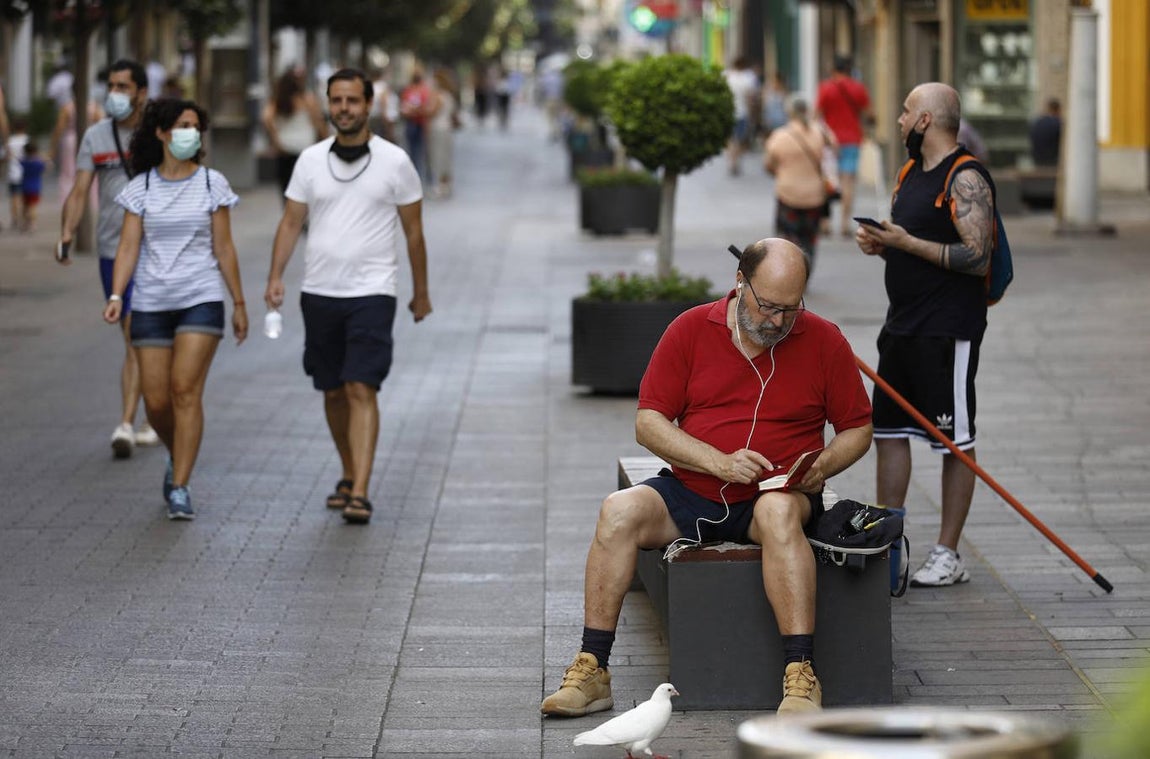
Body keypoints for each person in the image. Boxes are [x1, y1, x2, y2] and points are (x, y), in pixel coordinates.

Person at [541, 238, 873, 717]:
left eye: (791, 309)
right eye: (768, 306)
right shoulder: (691, 328)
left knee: (777, 512)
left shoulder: (823, 339)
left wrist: (822, 466)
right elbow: (648, 422)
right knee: (618, 510)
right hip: (691, 490)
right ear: (740, 282)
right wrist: (718, 462)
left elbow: (858, 428)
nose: (778, 321)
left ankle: (801, 677)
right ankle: (593, 669)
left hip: (776, 493)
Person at [264, 68, 432, 525]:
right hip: (319, 291)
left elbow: (413, 233)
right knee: (333, 389)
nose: (344, 109)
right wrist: (275, 276)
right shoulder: (310, 160)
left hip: (373, 292)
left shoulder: (395, 161)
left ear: (369, 103)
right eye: (336, 100)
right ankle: (347, 470)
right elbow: (290, 222)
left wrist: (421, 292)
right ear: (326, 104)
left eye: (352, 100)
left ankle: (360, 490)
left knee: (361, 384)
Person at [854, 82, 996, 587]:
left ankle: (948, 553)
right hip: (901, 326)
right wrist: (883, 244)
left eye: (907, 110)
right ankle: (888, 546)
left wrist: (906, 242)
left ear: (926, 121)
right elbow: (911, 242)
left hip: (947, 331)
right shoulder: (911, 172)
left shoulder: (967, 177)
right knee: (890, 435)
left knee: (954, 442)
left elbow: (976, 255)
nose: (898, 119)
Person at [103, 97, 248, 520]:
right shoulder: (141, 188)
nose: (190, 133)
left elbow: (224, 247)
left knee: (185, 390)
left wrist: (238, 302)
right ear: (163, 133)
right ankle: (176, 453)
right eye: (182, 125)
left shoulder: (211, 184)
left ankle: (180, 485)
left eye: (195, 126)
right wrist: (117, 295)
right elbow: (128, 246)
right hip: (150, 300)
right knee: (157, 402)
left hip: (200, 298)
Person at [58, 60, 158, 458]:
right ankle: (146, 416)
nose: (114, 93)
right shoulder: (96, 136)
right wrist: (66, 232)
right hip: (112, 250)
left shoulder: (160, 134)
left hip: (157, 249)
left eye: (123, 86)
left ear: (141, 92)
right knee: (134, 337)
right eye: (111, 85)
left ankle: (127, 422)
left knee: (141, 334)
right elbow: (80, 190)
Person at [763, 97, 833, 272]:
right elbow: (834, 150)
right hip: (814, 196)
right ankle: (805, 273)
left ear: (789, 112)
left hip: (788, 194)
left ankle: (788, 274)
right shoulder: (820, 132)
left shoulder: (780, 136)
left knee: (786, 240)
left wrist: (782, 172)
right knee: (809, 239)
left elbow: (769, 165)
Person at [815, 55, 871, 237]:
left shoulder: (826, 88)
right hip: (852, 140)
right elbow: (870, 113)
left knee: (828, 182)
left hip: (829, 142)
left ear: (834, 70)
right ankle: (845, 224)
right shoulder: (858, 88)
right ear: (849, 70)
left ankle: (825, 223)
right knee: (848, 182)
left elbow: (816, 115)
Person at [261, 66, 328, 197]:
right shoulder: (307, 99)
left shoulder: (277, 102)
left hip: (285, 148)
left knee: (287, 188)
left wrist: (276, 140)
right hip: (306, 148)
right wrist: (325, 141)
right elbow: (318, 122)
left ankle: (291, 213)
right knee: (306, 188)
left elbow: (266, 118)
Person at [723, 56, 759, 176]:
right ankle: (735, 160)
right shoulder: (748, 79)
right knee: (739, 139)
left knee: (730, 139)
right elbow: (751, 98)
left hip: (728, 111)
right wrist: (752, 113)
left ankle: (731, 160)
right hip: (742, 113)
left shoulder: (727, 76)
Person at [427, 68, 459, 199]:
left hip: (438, 128)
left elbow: (432, 112)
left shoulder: (439, 96)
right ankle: (447, 184)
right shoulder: (449, 96)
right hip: (447, 128)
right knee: (446, 157)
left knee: (438, 157)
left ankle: (441, 185)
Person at [400, 70, 432, 182]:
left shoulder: (420, 91)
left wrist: (415, 110)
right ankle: (416, 173)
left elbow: (426, 107)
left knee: (418, 150)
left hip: (419, 123)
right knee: (415, 150)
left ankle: (419, 173)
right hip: (414, 123)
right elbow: (404, 108)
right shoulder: (413, 91)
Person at [18, 141, 46, 231]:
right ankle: (32, 224)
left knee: (25, 206)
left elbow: (18, 159)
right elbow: (46, 166)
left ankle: (25, 223)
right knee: (33, 206)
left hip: (25, 187)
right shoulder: (38, 163)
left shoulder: (24, 162)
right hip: (35, 187)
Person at [7, 118, 29, 230]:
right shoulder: (27, 140)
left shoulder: (10, 141)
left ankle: (15, 219)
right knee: (25, 197)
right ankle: (25, 218)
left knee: (14, 197)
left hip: (12, 172)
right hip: (26, 172)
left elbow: (6, 155)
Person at [1030, 98, 1062, 167]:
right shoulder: (1058, 123)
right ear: (1057, 109)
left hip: (1037, 159)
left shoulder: (1037, 122)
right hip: (1053, 160)